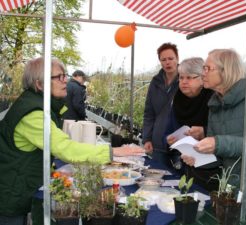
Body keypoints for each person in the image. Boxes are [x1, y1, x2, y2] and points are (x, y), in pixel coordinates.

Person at [0, 57, 145, 225]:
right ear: (39, 84)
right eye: (59, 77)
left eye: (65, 75)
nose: (65, 81)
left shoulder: (38, 105)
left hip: (16, 185)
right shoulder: (33, 114)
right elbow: (65, 148)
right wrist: (112, 152)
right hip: (9, 191)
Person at [181, 49, 246, 225]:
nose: (203, 73)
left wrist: (217, 143)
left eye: (208, 68)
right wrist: (200, 157)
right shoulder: (216, 104)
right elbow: (223, 154)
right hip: (235, 189)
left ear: (226, 70)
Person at [164, 57, 220, 191]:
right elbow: (168, 131)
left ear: (202, 78)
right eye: (181, 77)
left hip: (211, 170)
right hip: (183, 165)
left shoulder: (215, 100)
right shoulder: (177, 100)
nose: (183, 82)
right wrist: (168, 140)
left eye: (189, 77)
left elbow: (225, 132)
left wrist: (204, 132)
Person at [142, 42, 179, 166]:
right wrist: (147, 138)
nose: (167, 62)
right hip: (158, 142)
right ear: (160, 62)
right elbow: (149, 113)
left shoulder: (185, 79)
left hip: (179, 142)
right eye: (163, 59)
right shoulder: (156, 82)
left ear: (177, 59)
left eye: (170, 58)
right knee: (158, 176)